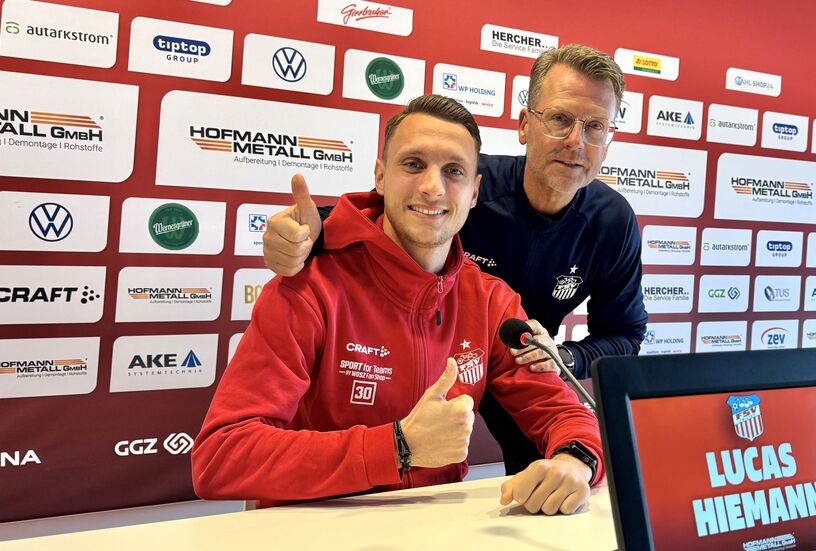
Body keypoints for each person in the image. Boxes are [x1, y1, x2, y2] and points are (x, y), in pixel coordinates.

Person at [192, 95, 602, 516]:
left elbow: (564, 414)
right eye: (413, 164)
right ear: (381, 177)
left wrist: (576, 461)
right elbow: (221, 456)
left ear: (474, 192)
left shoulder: (491, 301)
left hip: (432, 532)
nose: (433, 187)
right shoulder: (310, 286)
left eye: (454, 171)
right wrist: (397, 447)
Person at [262, 44, 646, 475]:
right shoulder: (457, 179)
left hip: (520, 360)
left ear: (609, 139)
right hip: (433, 353)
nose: (575, 142)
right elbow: (382, 213)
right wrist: (306, 233)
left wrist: (561, 357)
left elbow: (625, 333)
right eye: (559, 119)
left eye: (595, 126)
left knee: (553, 475)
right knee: (390, 460)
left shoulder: (612, 222)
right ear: (525, 125)